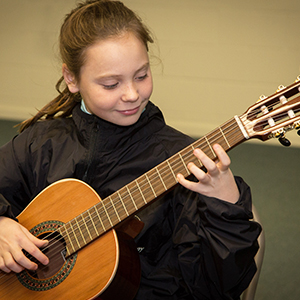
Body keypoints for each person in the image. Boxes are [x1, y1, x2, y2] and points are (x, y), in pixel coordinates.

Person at [0, 0, 261, 299]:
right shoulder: (41, 142)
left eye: (142, 75)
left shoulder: (180, 160)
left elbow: (216, 287)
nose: (132, 94)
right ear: (71, 78)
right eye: (111, 84)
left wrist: (225, 205)